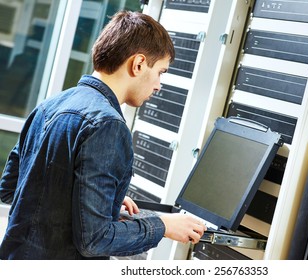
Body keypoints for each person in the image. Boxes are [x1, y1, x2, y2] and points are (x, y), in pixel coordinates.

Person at [0, 10, 206, 260]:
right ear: (138, 64)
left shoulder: (48, 105)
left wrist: (99, 204)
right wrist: (163, 226)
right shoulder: (107, 125)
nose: (158, 85)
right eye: (161, 72)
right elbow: (95, 240)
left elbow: (12, 189)